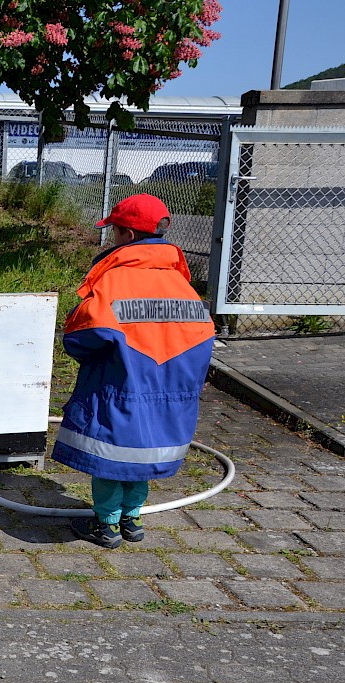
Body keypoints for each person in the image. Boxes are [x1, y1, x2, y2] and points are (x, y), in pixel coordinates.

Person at [54, 193, 215, 549]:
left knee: (112, 460)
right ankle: (133, 519)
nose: (111, 238)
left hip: (120, 387)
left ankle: (106, 525)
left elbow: (80, 338)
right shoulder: (182, 286)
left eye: (113, 232)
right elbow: (203, 342)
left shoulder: (114, 281)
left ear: (127, 235)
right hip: (166, 394)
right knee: (143, 456)